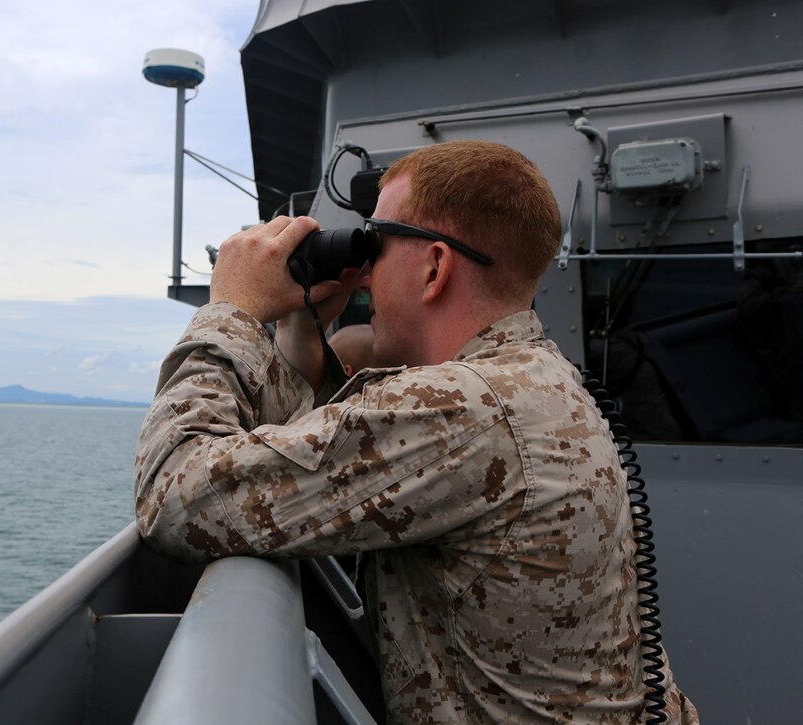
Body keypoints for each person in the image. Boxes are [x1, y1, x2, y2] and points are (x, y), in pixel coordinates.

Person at [134, 141, 698, 723]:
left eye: (374, 244)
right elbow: (292, 460)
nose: (363, 276)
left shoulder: (463, 408)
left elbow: (176, 494)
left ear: (434, 267)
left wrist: (231, 308)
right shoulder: (528, 380)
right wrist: (302, 332)